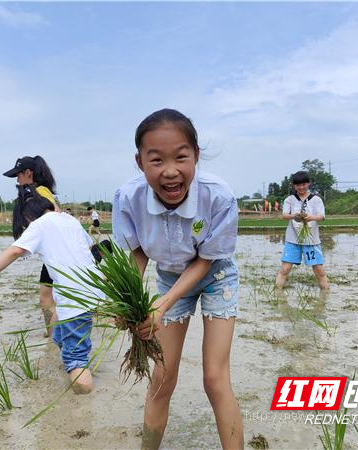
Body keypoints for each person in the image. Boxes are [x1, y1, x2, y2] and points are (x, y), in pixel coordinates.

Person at [112, 109, 243, 450]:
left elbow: (205, 261)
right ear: (140, 163)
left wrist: (162, 305)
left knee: (214, 378)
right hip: (170, 275)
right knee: (161, 378)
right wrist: (126, 302)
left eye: (181, 158)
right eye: (156, 160)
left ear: (196, 156)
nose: (170, 172)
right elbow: (136, 252)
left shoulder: (218, 196)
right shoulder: (129, 198)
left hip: (215, 272)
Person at [0, 203, 102, 394]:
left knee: (76, 359)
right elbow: (90, 249)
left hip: (75, 299)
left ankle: (83, 407)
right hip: (90, 291)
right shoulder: (70, 220)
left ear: (27, 217)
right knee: (59, 335)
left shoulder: (40, 224)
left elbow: (14, 251)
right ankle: (76, 363)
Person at [3, 155, 61, 336]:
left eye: (18, 176)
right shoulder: (39, 191)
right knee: (46, 295)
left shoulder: (39, 191)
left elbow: (55, 214)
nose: (17, 181)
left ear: (28, 173)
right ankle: (52, 334)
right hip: (53, 253)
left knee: (48, 297)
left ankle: (53, 337)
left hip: (57, 253)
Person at [275, 171, 329, 290]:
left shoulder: (316, 200)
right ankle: (277, 294)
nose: (301, 187)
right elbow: (284, 215)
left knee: (319, 270)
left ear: (308, 184)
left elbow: (322, 216)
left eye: (303, 184)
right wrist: (294, 216)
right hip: (292, 239)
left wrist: (311, 218)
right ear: (294, 186)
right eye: (298, 185)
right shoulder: (290, 199)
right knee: (285, 268)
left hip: (311, 240)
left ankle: (326, 294)